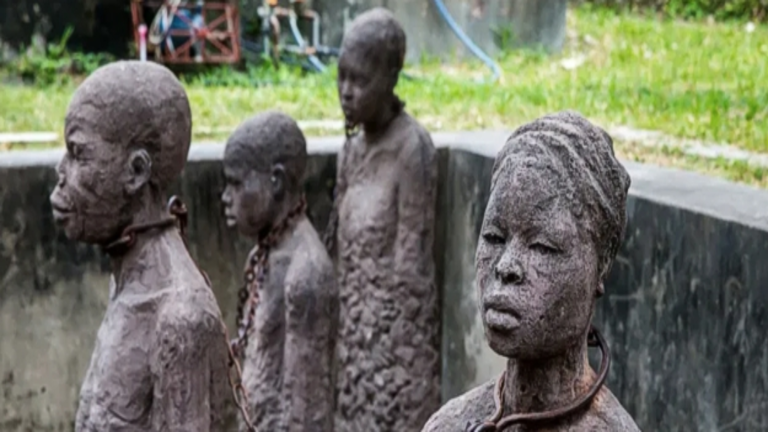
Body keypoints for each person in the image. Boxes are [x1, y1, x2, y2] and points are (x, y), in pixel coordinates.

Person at [423, 111, 641, 432]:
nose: (506, 266)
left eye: (541, 246)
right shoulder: (447, 425)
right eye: (494, 237)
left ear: (602, 263)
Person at [49, 60, 230, 431]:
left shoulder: (180, 318)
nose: (60, 171)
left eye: (78, 152)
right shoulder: (128, 279)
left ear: (136, 172)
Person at [325, 7, 440, 431]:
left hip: (395, 351)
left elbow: (413, 277)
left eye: (360, 80)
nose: (347, 92)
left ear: (390, 77)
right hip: (355, 341)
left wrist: (394, 369)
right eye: (342, 77)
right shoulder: (350, 151)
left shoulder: (413, 150)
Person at [221, 111, 338, 431]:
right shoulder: (265, 255)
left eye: (235, 184)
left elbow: (309, 411)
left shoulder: (307, 274)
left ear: (275, 181)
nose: (225, 198)